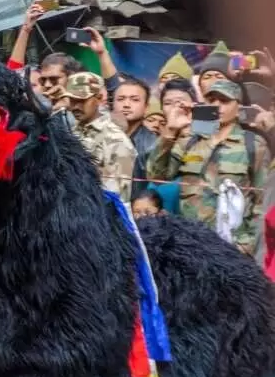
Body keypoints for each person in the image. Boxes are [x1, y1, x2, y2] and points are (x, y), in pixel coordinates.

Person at [147, 79, 270, 253]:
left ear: (239, 108)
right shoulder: (190, 139)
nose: (217, 106)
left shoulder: (253, 144)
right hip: (190, 242)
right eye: (211, 101)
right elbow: (157, 177)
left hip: (233, 246)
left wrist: (246, 244)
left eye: (225, 101)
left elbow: (261, 200)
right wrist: (170, 131)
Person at [60, 72, 137, 202]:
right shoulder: (72, 133)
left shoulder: (116, 140)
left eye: (82, 100)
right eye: (72, 100)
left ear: (99, 98)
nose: (76, 106)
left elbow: (118, 197)